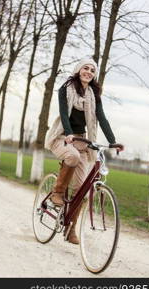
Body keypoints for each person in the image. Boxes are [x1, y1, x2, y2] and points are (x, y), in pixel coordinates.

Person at [46, 58, 124, 244]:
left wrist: (113, 141)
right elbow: (64, 114)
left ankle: (70, 228)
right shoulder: (66, 89)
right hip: (62, 136)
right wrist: (69, 134)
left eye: (92, 70)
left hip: (82, 140)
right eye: (85, 68)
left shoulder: (94, 95)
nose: (88, 72)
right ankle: (57, 191)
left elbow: (102, 118)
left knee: (82, 192)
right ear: (78, 69)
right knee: (71, 156)